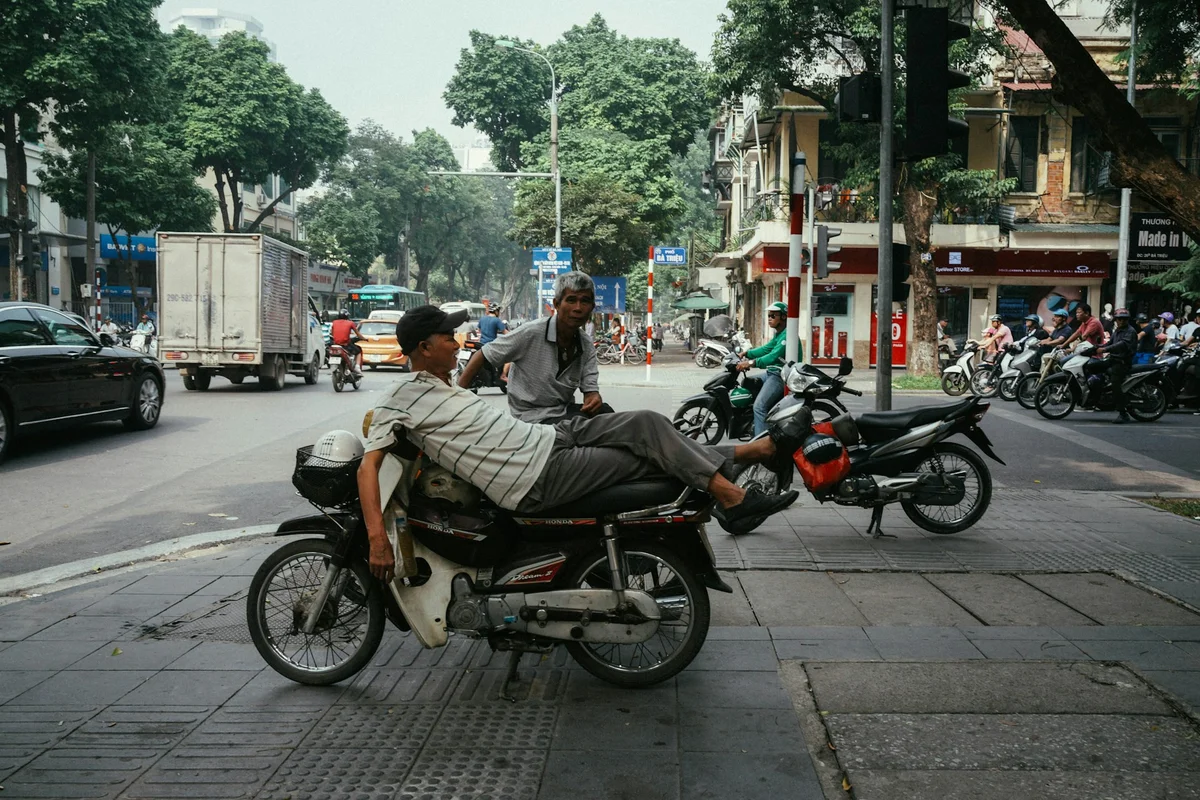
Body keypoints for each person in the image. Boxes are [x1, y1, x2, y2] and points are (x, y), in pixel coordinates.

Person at [357, 305, 804, 580]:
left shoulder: (446, 384)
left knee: (646, 423)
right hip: (534, 477)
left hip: (550, 436)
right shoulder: (400, 398)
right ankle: (733, 491)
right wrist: (378, 538)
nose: (455, 342)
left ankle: (740, 476)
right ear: (423, 346)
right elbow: (368, 466)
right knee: (638, 456)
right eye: (445, 337)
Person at [459, 271, 606, 423]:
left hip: (564, 411)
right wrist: (457, 399)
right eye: (571, 300)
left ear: (592, 307)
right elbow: (483, 353)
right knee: (588, 429)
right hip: (532, 416)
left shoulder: (586, 344)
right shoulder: (532, 333)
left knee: (607, 415)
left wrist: (593, 397)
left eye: (585, 301)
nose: (578, 308)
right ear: (556, 304)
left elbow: (591, 389)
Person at [738, 301, 792, 436]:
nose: (769, 318)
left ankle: (760, 443)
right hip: (771, 372)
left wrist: (750, 363)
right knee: (748, 383)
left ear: (784, 317)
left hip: (779, 375)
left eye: (773, 315)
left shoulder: (787, 336)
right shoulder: (779, 334)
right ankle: (758, 423)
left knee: (759, 407)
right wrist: (747, 353)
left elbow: (772, 357)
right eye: (769, 315)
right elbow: (766, 349)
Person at [1098, 308, 1137, 424]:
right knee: (1094, 366)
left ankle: (1123, 413)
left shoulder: (1130, 331)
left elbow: (1122, 345)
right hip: (1113, 359)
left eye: (1123, 319)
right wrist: (1094, 348)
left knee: (1115, 385)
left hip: (1122, 362)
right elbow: (1110, 343)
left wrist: (1104, 349)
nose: (1121, 321)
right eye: (1119, 319)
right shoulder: (1117, 331)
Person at [330, 310, 363, 377]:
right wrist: (364, 338)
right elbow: (358, 334)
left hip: (335, 345)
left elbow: (332, 333)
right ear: (347, 316)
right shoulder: (350, 323)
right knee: (358, 351)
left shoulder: (334, 322)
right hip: (345, 345)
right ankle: (357, 367)